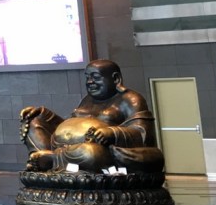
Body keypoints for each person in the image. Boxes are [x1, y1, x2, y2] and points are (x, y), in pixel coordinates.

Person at [19, 59, 164, 173]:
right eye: (87, 77)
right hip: (69, 147)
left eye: (96, 77)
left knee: (91, 153)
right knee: (34, 120)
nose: (90, 82)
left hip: (98, 151)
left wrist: (112, 133)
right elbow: (71, 125)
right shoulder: (87, 100)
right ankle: (47, 158)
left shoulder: (131, 99)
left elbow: (143, 135)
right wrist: (46, 116)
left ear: (115, 79)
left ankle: (52, 159)